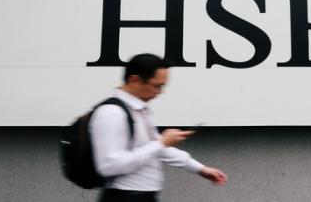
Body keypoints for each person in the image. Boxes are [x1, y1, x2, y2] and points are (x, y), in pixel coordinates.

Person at [90, 53, 227, 201]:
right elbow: (109, 165)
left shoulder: (137, 110)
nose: (160, 92)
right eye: (157, 86)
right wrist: (161, 142)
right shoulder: (112, 113)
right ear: (134, 80)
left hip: (142, 196)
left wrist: (200, 169)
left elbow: (156, 149)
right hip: (124, 196)